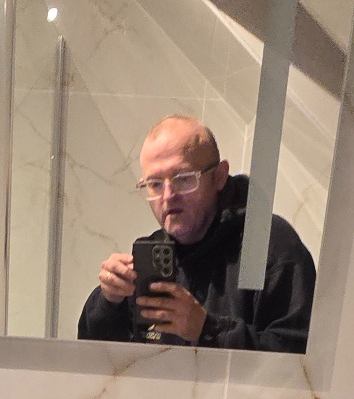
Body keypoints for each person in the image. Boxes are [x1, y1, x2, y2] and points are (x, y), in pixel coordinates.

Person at [76, 115, 315, 350]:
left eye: (183, 179)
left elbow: (298, 359)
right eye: (155, 184)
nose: (168, 196)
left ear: (219, 176)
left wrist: (207, 329)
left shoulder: (269, 247)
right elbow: (97, 359)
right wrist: (109, 301)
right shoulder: (154, 254)